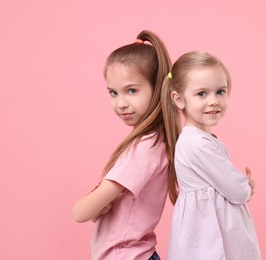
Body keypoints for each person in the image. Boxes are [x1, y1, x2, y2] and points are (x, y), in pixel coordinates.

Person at [73, 30, 176, 260]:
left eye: (132, 90)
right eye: (113, 93)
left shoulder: (144, 148)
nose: (121, 103)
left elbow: (80, 213)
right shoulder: (152, 142)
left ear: (158, 87)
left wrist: (89, 202)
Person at [161, 51, 261, 259]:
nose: (213, 100)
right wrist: (246, 186)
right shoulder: (197, 144)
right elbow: (236, 189)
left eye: (220, 92)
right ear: (179, 99)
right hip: (208, 241)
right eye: (202, 94)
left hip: (209, 235)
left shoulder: (200, 140)